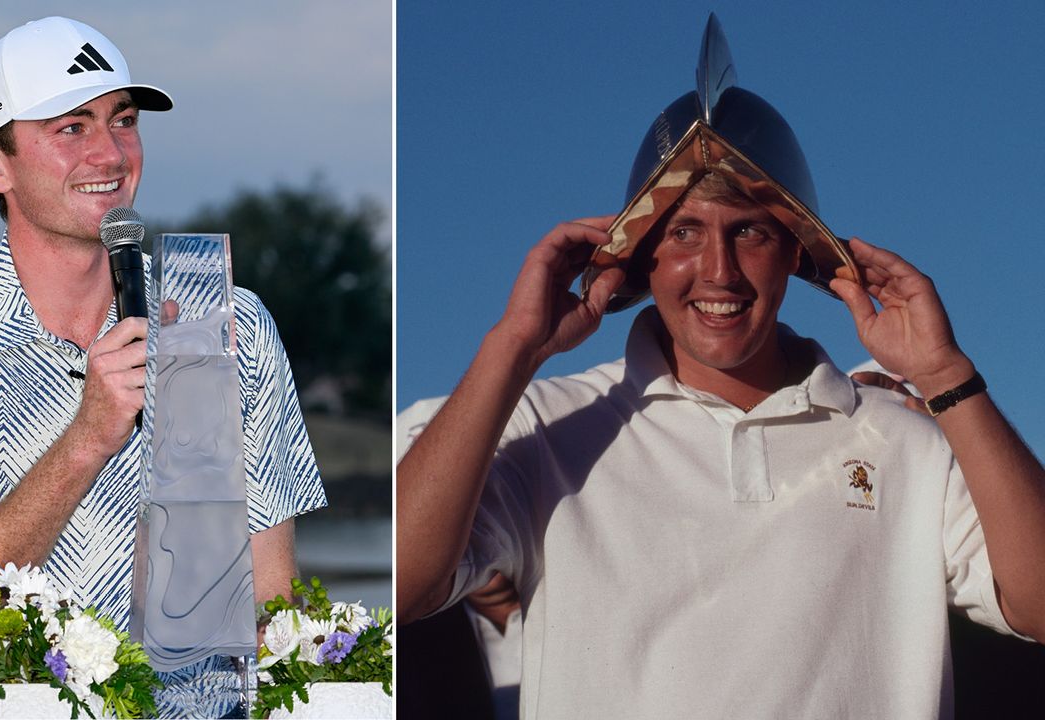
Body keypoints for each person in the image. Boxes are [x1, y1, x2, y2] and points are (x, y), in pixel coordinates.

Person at [396, 16, 1045, 719]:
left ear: (796, 253)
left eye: (750, 233)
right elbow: (402, 585)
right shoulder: (546, 427)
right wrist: (513, 346)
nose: (718, 270)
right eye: (683, 232)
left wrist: (947, 374)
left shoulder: (911, 442)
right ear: (643, 256)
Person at [0, 16, 325, 715]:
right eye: (71, 128)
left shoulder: (227, 318)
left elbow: (271, 596)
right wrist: (90, 436)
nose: (110, 152)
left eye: (124, 120)